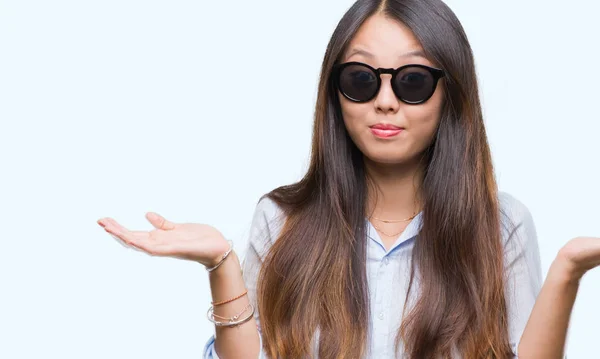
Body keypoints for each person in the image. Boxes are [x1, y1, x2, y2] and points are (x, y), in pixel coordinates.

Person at [97, 0, 599, 358]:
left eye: (412, 82)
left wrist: (567, 270)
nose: (385, 101)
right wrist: (221, 264)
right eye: (360, 79)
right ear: (335, 93)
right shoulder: (282, 220)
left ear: (451, 94)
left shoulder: (502, 224)